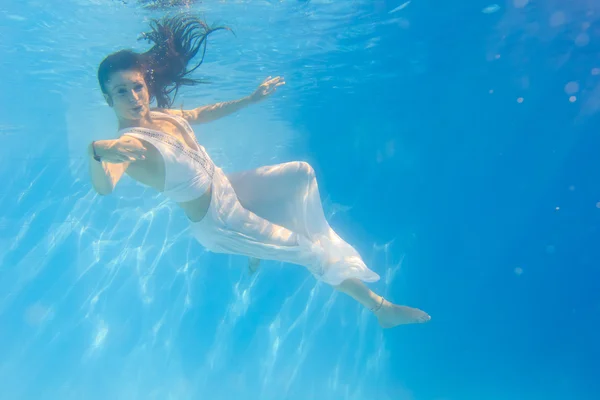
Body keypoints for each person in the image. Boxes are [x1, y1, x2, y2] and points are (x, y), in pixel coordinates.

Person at [88, 14, 430, 329]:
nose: (134, 97)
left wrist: (251, 99)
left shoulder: (161, 116)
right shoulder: (130, 144)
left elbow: (200, 114)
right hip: (219, 223)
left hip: (227, 191)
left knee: (300, 173)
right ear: (108, 100)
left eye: (137, 86)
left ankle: (265, 247)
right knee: (311, 252)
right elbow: (105, 186)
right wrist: (97, 153)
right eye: (121, 91)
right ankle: (381, 309)